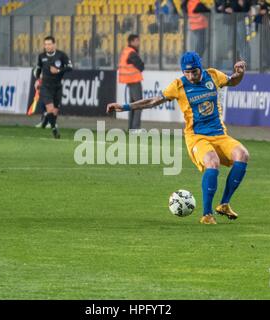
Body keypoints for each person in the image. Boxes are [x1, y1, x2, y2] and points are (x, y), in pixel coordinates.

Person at [107, 52, 250, 225]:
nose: (190, 76)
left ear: (200, 67)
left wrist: (239, 74)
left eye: (194, 72)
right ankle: (207, 214)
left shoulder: (212, 75)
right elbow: (153, 101)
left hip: (219, 134)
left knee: (242, 155)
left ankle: (224, 204)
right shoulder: (178, 85)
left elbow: (232, 81)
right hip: (197, 137)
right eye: (187, 72)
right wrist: (124, 107)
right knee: (212, 162)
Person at [34, 36, 73, 139]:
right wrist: (37, 80)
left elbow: (70, 67)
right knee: (50, 108)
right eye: (45, 44)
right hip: (45, 86)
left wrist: (59, 70)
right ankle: (54, 130)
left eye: (49, 44)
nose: (47, 46)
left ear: (54, 45)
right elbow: (38, 69)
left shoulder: (61, 55)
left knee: (55, 111)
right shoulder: (41, 56)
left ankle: (47, 120)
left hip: (57, 86)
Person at [117, 34, 145, 131]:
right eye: (137, 40)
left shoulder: (126, 51)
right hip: (134, 79)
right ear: (132, 42)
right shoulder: (132, 53)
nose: (138, 43)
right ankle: (135, 128)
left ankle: (131, 128)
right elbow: (141, 66)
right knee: (139, 104)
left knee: (132, 104)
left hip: (129, 80)